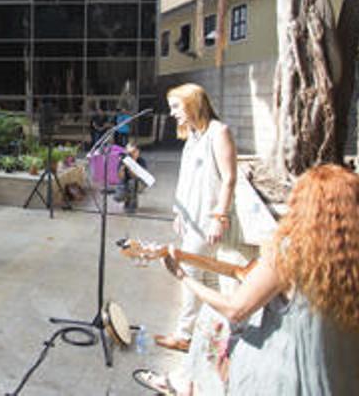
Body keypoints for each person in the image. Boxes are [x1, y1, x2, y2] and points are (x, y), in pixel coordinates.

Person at [147, 164, 359, 395]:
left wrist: (183, 276)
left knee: (212, 320)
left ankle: (188, 385)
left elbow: (235, 309)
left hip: (284, 376)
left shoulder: (291, 253)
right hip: (341, 378)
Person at [155, 83, 240, 353]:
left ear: (192, 103)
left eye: (176, 106)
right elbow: (187, 178)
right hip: (191, 215)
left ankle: (184, 335)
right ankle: (220, 331)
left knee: (191, 272)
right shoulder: (192, 136)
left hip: (208, 218)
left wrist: (219, 216)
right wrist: (179, 211)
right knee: (208, 275)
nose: (172, 113)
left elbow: (229, 178)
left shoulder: (219, 132)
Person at [114, 142, 146, 213]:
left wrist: (131, 164)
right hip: (125, 182)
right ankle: (126, 200)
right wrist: (122, 168)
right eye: (129, 153)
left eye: (133, 152)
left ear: (138, 151)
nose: (131, 154)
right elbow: (120, 177)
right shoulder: (123, 160)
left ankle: (133, 203)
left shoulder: (141, 161)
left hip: (138, 183)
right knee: (119, 195)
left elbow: (137, 177)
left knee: (132, 182)